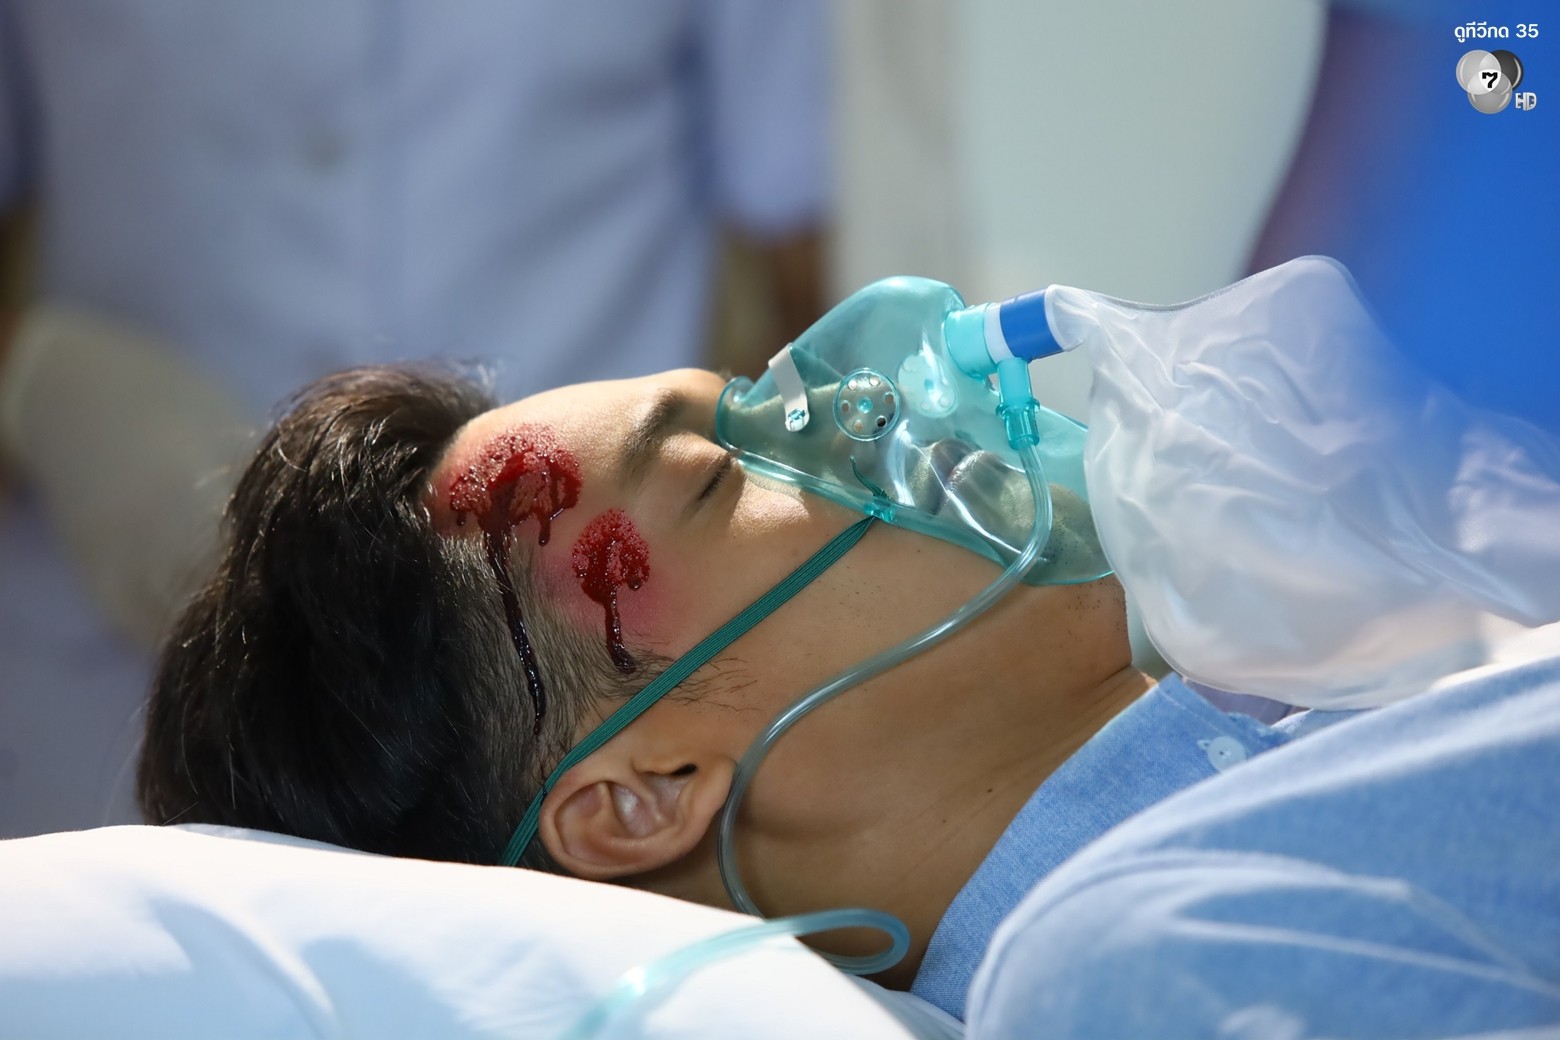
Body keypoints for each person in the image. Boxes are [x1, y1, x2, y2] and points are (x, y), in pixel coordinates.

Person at [137, 362, 1560, 1031]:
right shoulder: (1137, 979)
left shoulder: (1344, 683)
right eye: (722, 472)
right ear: (644, 797)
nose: (872, 402)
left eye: (770, 392)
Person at [0, 0, 830, 838]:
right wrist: (35, 381)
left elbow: (819, 262)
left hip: (565, 715)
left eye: (714, 470)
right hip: (84, 672)